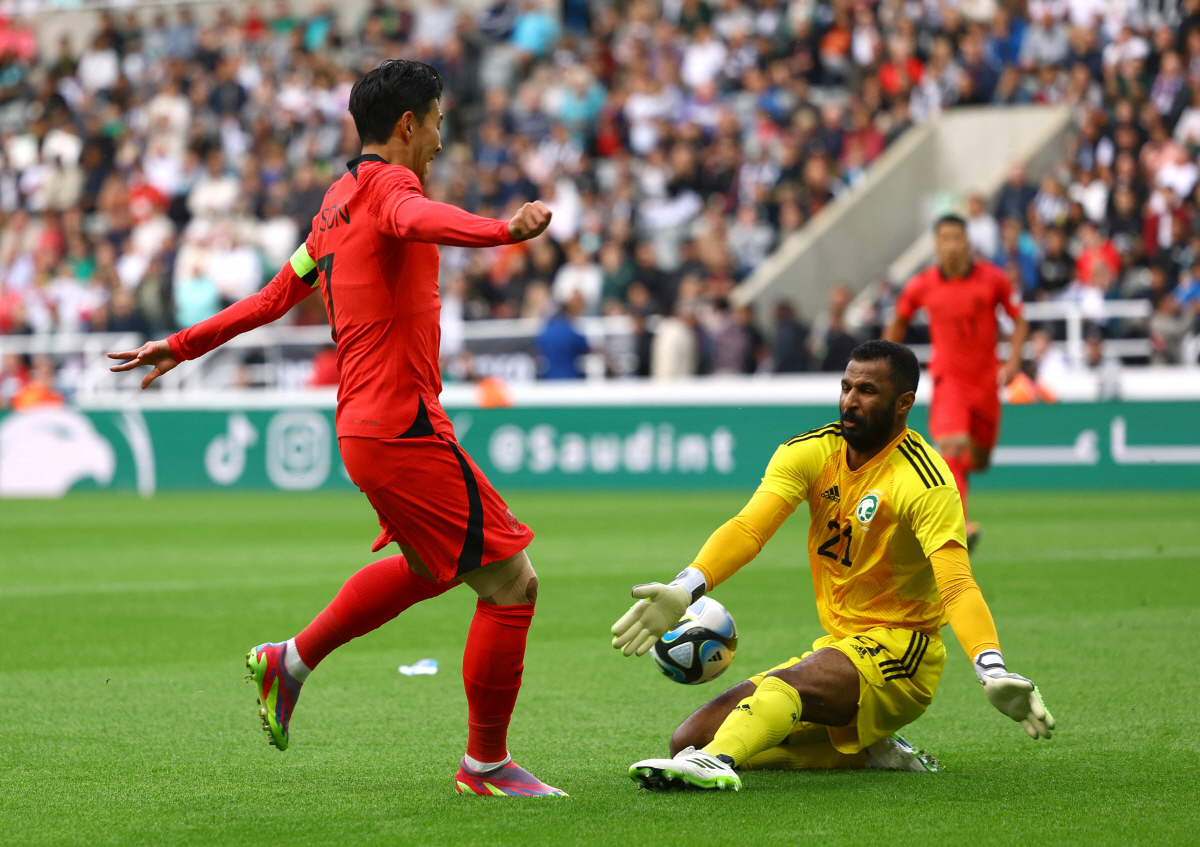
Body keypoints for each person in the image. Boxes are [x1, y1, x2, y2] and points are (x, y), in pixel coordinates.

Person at [108, 60, 565, 798]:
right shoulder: (391, 190)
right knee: (512, 581)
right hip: (401, 426)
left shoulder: (334, 205)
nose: (442, 142)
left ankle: (287, 661)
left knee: (429, 567)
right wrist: (502, 230)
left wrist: (183, 341)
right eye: (439, 124)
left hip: (366, 425)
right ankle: (486, 765)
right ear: (409, 125)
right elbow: (417, 219)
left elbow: (274, 294)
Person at [613, 341, 1054, 792]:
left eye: (867, 390)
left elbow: (958, 584)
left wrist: (991, 668)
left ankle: (717, 761)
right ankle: (866, 752)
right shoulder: (812, 451)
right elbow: (749, 528)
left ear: (904, 403)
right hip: (840, 645)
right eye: (845, 387)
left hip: (903, 652)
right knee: (684, 741)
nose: (849, 400)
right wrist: (686, 588)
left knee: (780, 692)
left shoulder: (925, 480)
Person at [883, 215, 1028, 550]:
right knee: (951, 446)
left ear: (967, 242)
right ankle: (959, 523)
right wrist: (885, 366)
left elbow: (1020, 320)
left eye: (956, 237)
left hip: (986, 383)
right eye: (944, 238)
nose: (950, 245)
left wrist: (1014, 359)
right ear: (936, 245)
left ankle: (944, 497)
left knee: (978, 459)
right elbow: (898, 321)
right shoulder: (921, 285)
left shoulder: (993, 279)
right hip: (949, 381)